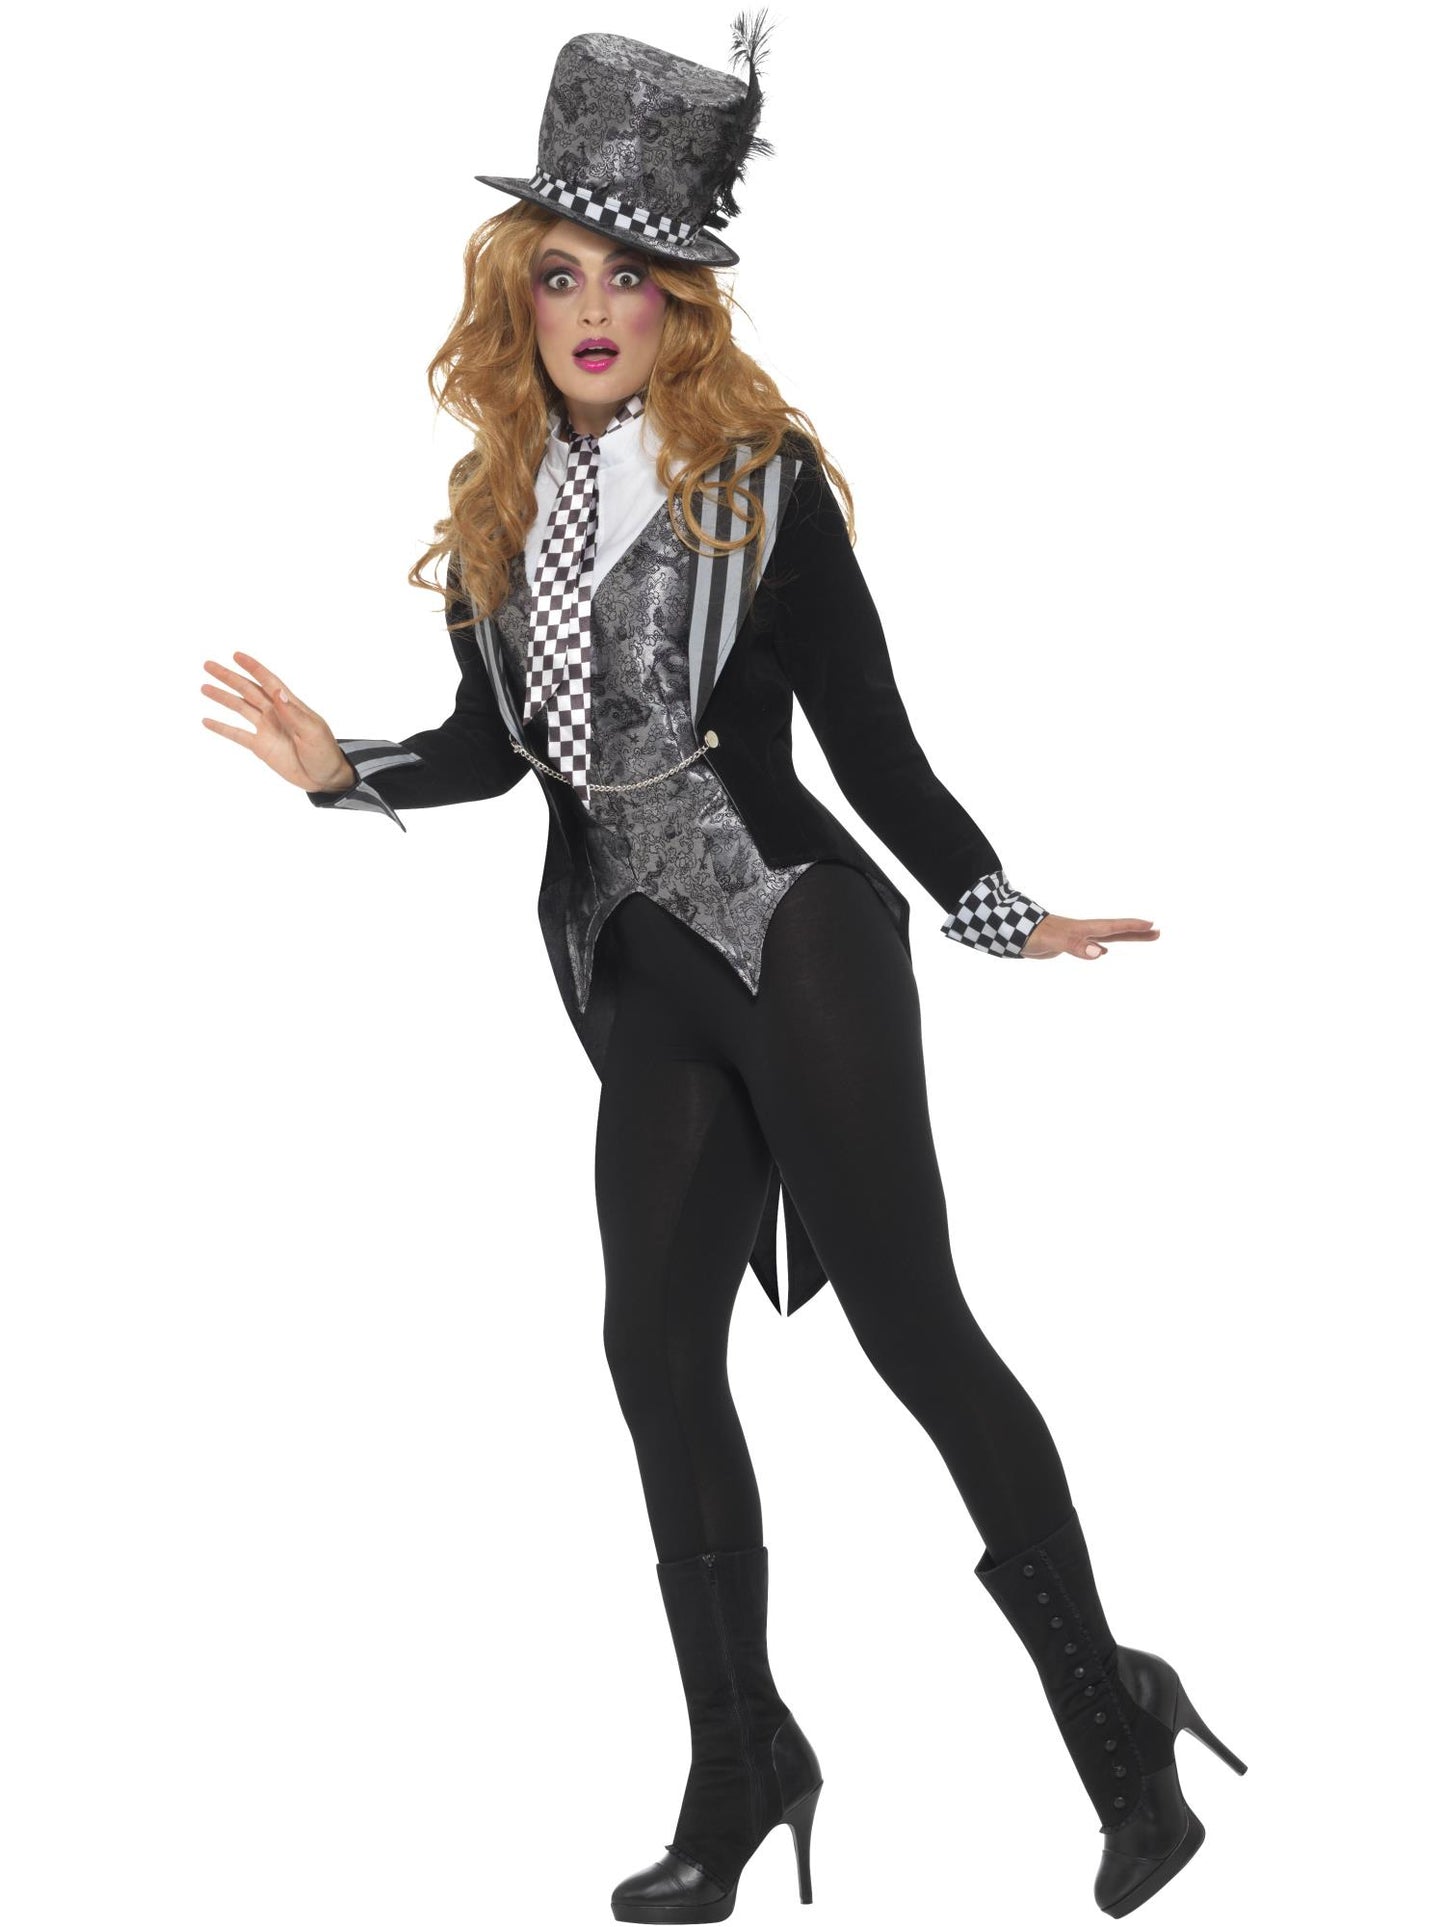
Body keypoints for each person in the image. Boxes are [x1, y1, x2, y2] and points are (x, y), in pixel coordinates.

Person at [201, 18, 1247, 1922]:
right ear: (515, 300)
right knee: (652, 1356)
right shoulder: (498, 509)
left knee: (913, 1331)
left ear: (681, 302)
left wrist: (995, 905)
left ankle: (1118, 1724)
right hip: (629, 965)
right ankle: (742, 1756)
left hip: (797, 933)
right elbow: (494, 750)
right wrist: (346, 772)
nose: (593, 308)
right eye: (559, 275)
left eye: (630, 276)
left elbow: (871, 740)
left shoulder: (761, 482)